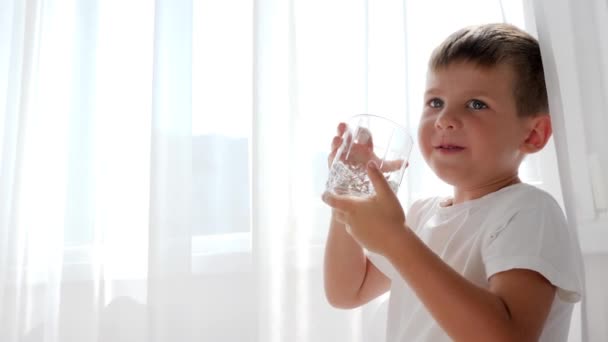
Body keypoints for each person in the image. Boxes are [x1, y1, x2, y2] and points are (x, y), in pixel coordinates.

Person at [322, 23, 584, 342]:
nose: (445, 118)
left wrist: (396, 239)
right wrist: (349, 192)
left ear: (532, 134)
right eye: (435, 102)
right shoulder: (420, 215)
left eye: (476, 104)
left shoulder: (529, 212)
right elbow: (347, 290)